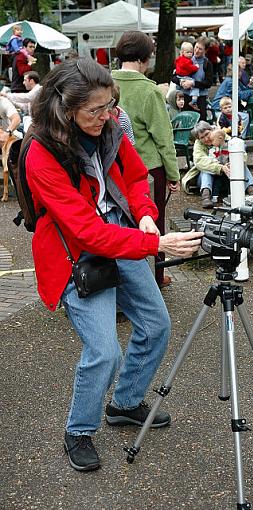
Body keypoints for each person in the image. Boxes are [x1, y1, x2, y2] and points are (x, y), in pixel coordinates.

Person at [25, 58, 203, 472]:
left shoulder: (110, 126)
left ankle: (124, 403)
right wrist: (155, 242)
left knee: (157, 324)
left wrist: (143, 211)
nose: (108, 117)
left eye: (110, 106)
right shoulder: (41, 154)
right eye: (96, 111)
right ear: (63, 109)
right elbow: (87, 232)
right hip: (79, 255)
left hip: (125, 237)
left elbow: (138, 177)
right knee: (103, 351)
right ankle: (79, 429)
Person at [112, 31, 181, 288]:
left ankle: (123, 279)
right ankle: (155, 277)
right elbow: (164, 138)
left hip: (110, 168)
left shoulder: (103, 82)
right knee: (153, 222)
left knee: (119, 224)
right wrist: (173, 174)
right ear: (145, 58)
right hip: (147, 168)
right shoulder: (149, 91)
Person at [181, 121, 253, 208]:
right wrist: (220, 167)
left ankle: (251, 190)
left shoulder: (222, 136)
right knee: (206, 169)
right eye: (202, 137)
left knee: (239, 164)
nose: (206, 139)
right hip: (208, 178)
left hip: (228, 175)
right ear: (198, 139)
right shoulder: (198, 144)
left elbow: (242, 154)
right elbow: (199, 161)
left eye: (207, 134)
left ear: (211, 130)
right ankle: (206, 196)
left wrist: (232, 163)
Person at [171, 36, 213, 121]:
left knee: (200, 124)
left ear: (205, 51)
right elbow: (173, 77)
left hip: (200, 98)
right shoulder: (185, 59)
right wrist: (181, 82)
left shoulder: (207, 63)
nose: (196, 50)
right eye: (196, 47)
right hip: (185, 96)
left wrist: (193, 83)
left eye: (200, 49)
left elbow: (208, 83)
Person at [0, 96, 21, 201]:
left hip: (9, 137)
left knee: (7, 168)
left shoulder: (3, 102)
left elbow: (17, 119)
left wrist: (7, 132)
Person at [175, 41, 200, 111]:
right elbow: (191, 68)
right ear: (183, 52)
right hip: (185, 77)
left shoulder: (179, 59)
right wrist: (196, 67)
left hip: (179, 76)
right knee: (195, 87)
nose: (190, 54)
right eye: (188, 52)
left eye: (191, 52)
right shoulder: (187, 61)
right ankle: (194, 100)